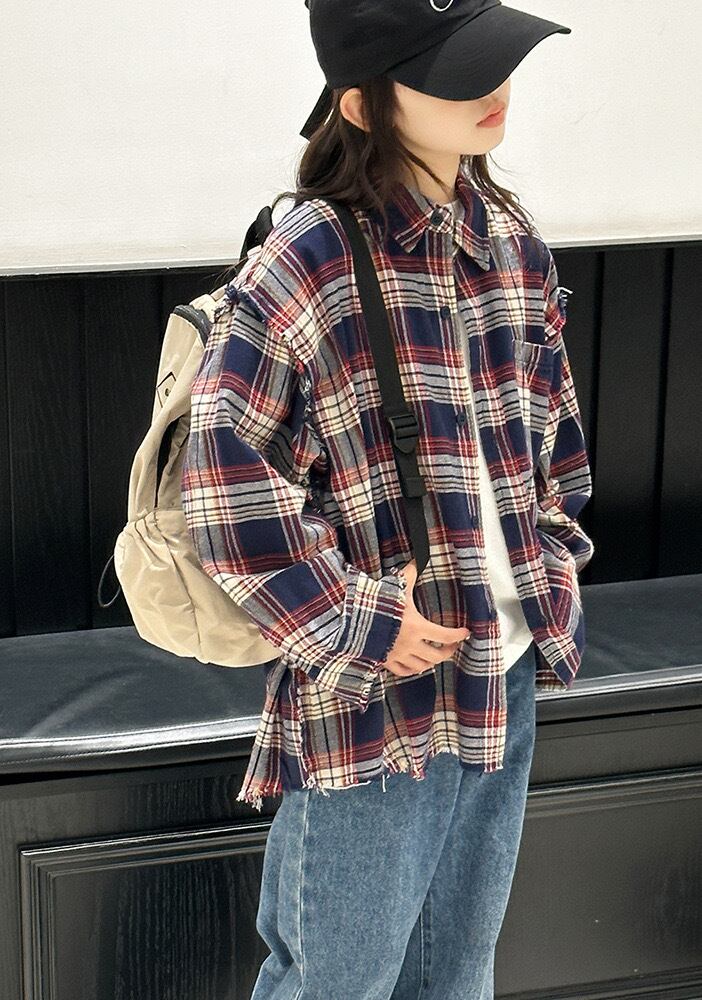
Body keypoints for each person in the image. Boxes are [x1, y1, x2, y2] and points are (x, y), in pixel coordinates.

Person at [180, 1, 595, 996]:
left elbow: (554, 439)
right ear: (362, 106)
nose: (493, 88)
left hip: (502, 671)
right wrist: (359, 620)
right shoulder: (307, 259)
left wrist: (549, 576)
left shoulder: (510, 243)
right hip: (378, 697)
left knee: (458, 973)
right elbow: (226, 484)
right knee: (341, 981)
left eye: (494, 58)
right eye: (452, 73)